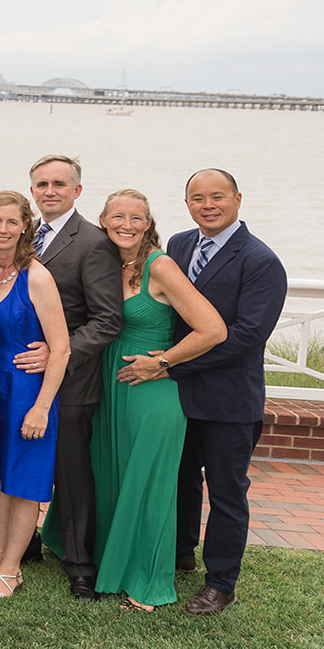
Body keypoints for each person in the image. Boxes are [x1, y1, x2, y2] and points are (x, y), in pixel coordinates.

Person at [89, 189, 227, 611]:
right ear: (104, 221)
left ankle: (148, 585)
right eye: (117, 217)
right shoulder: (109, 262)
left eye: (136, 218)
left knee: (150, 487)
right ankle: (111, 566)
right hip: (112, 385)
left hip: (152, 392)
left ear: (148, 223)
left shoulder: (160, 265)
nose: (126, 225)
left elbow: (213, 330)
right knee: (114, 477)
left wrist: (163, 363)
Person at [162, 169, 287, 615]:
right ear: (187, 203)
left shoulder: (260, 260)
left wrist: (173, 360)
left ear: (237, 198)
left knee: (227, 491)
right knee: (178, 479)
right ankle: (179, 555)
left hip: (228, 400)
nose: (207, 205)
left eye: (217, 197)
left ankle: (221, 582)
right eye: (198, 198)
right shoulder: (177, 246)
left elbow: (248, 335)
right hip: (176, 395)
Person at [0, 191, 72, 600]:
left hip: (26, 390)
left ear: (26, 225)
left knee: (22, 478)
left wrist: (42, 406)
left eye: (11, 222)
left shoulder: (36, 276)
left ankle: (12, 568)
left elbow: (61, 348)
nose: (3, 230)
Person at [26, 154, 122, 600]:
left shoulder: (93, 242)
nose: (50, 191)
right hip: (21, 376)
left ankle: (81, 565)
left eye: (59, 184)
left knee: (71, 474)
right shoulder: (23, 234)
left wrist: (58, 357)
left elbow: (106, 320)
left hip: (73, 380)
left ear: (77, 191)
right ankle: (24, 544)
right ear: (32, 190)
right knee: (21, 461)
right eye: (42, 184)